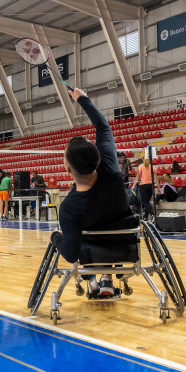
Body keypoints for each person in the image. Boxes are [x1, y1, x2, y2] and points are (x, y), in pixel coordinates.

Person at [51, 87, 137, 297]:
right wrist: (83, 100)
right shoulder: (110, 167)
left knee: (80, 237)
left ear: (68, 169)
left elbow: (70, 255)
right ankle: (106, 279)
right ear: (98, 158)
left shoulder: (69, 208)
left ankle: (91, 280)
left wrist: (55, 237)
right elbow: (103, 127)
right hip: (124, 242)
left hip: (92, 250)